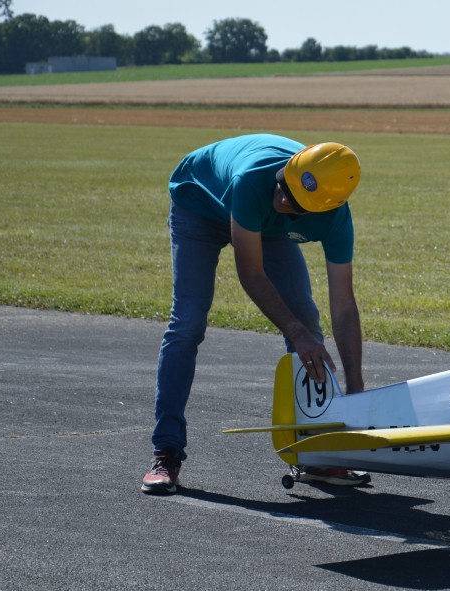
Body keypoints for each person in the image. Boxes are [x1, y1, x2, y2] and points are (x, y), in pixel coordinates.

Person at [141, 134, 369, 494]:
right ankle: (166, 452)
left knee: (309, 322)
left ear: (322, 208)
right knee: (188, 322)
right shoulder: (253, 179)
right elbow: (251, 274)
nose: (282, 199)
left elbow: (343, 305)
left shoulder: (336, 219)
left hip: (265, 224)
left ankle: (315, 452)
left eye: (293, 202)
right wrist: (295, 332)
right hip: (199, 202)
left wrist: (357, 389)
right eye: (283, 187)